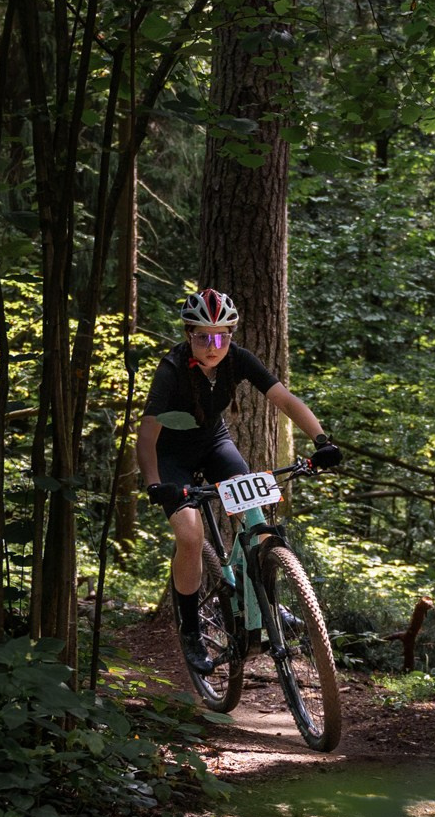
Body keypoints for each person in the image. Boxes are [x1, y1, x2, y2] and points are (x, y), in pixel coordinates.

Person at [138, 288, 340, 674]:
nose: (214, 346)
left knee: (256, 513)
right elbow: (147, 436)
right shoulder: (171, 370)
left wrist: (322, 441)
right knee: (190, 535)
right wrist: (153, 483)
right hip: (171, 456)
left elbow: (284, 399)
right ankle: (192, 632)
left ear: (231, 335)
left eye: (222, 336)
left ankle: (266, 598)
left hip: (214, 444)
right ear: (187, 335)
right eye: (203, 337)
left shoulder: (238, 359)